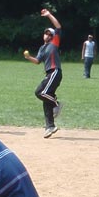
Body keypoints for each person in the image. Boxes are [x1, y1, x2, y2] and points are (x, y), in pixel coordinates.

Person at [23, 9, 63, 138]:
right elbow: (37, 61)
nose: (47, 35)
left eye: (49, 34)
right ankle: (50, 126)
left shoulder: (54, 43)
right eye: (45, 33)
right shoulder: (42, 48)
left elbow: (58, 26)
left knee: (40, 92)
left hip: (55, 72)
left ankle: (57, 103)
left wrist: (49, 15)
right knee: (46, 101)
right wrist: (29, 57)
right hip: (49, 74)